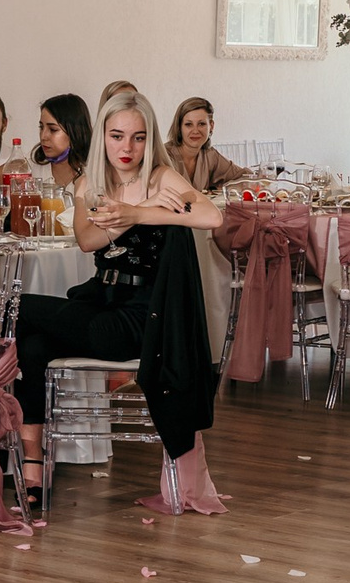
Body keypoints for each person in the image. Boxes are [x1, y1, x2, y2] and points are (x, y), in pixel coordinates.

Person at [14, 90, 226, 512]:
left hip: (141, 318)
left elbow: (211, 216)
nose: (126, 148)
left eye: (138, 137)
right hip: (100, 303)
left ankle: (31, 461)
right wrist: (137, 214)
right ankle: (32, 463)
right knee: (31, 343)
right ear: (102, 137)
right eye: (116, 136)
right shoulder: (90, 183)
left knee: (12, 309)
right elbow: (87, 239)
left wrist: (139, 212)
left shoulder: (161, 178)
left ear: (150, 140)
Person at [165, 96, 247, 192]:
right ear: (179, 127)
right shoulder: (163, 155)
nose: (195, 131)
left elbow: (246, 177)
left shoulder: (210, 155)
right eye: (188, 124)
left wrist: (221, 188)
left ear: (211, 126)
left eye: (201, 124)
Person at [33, 93, 91, 187]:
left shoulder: (95, 171)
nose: (43, 136)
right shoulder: (31, 168)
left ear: (75, 132)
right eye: (41, 127)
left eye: (53, 130)